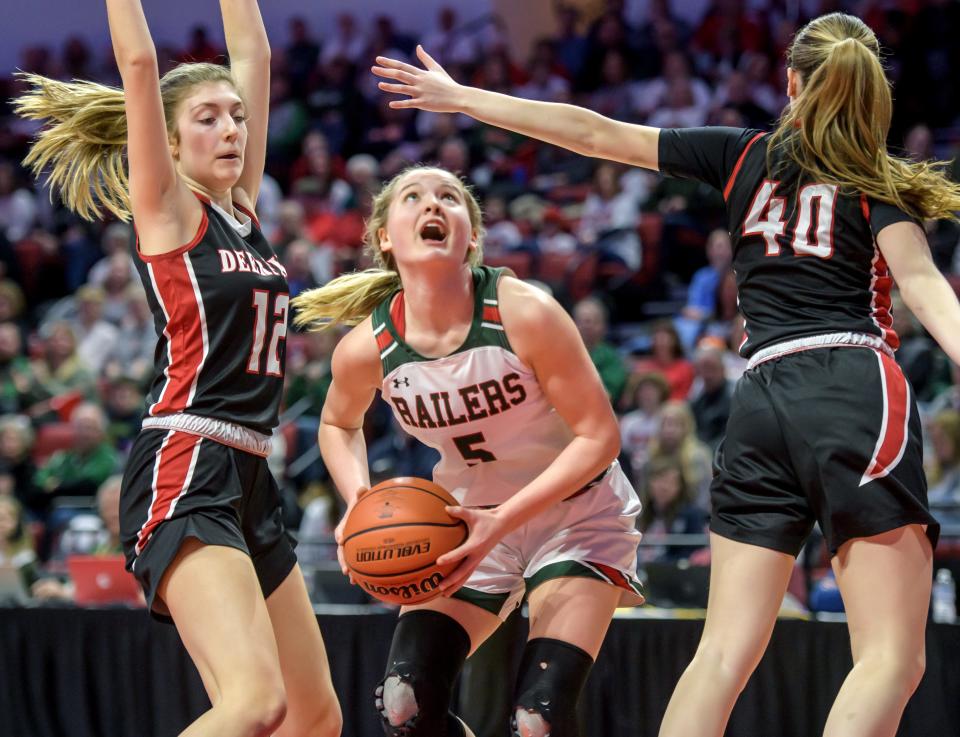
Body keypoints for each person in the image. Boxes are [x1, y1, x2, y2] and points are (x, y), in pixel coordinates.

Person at [371, 12, 960, 735]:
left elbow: (591, 131)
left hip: (760, 401)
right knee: (890, 655)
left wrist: (466, 97)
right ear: (874, 94)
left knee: (721, 652)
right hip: (851, 385)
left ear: (792, 82)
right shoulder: (878, 178)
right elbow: (924, 286)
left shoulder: (744, 156)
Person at [15, 2, 341, 736]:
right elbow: (138, 64)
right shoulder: (168, 209)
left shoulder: (243, 210)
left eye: (237, 116)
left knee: (316, 716)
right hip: (188, 460)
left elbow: (251, 50)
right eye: (207, 118)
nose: (231, 128)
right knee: (256, 701)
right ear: (165, 139)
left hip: (254, 475)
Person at [291, 165, 643, 737]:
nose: (433, 205)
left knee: (538, 721)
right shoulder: (367, 349)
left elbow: (600, 437)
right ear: (385, 235)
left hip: (576, 514)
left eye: (450, 198)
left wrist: (501, 521)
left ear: (471, 237)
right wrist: (359, 500)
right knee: (405, 704)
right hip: (462, 521)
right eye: (413, 197)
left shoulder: (524, 311)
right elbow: (336, 423)